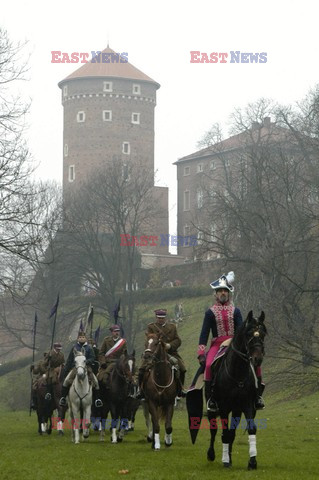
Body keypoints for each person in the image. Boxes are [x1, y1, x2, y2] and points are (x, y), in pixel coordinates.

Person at [198, 272, 265, 413]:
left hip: (234, 344)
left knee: (255, 363)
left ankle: (258, 396)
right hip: (217, 345)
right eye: (220, 291)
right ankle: (211, 400)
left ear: (229, 294)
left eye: (225, 291)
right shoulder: (209, 313)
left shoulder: (236, 311)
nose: (223, 293)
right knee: (209, 365)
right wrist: (201, 352)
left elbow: (241, 330)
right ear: (216, 294)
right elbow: (204, 333)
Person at [137, 308, 187, 399]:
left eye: (162, 318)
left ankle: (180, 389)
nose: (160, 319)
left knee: (182, 369)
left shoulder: (172, 327)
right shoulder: (151, 327)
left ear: (165, 318)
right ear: (156, 317)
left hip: (170, 353)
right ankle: (140, 391)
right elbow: (149, 340)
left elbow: (178, 340)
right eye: (159, 318)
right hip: (154, 354)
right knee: (141, 370)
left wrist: (170, 345)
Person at [59, 331, 103, 408]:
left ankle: (97, 399)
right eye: (80, 337)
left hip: (86, 367)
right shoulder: (74, 347)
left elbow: (92, 358)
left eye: (83, 337)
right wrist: (66, 369)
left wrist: (86, 361)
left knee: (95, 381)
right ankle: (63, 398)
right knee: (66, 380)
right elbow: (70, 359)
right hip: (75, 368)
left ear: (85, 338)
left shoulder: (89, 347)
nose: (81, 339)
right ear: (78, 338)